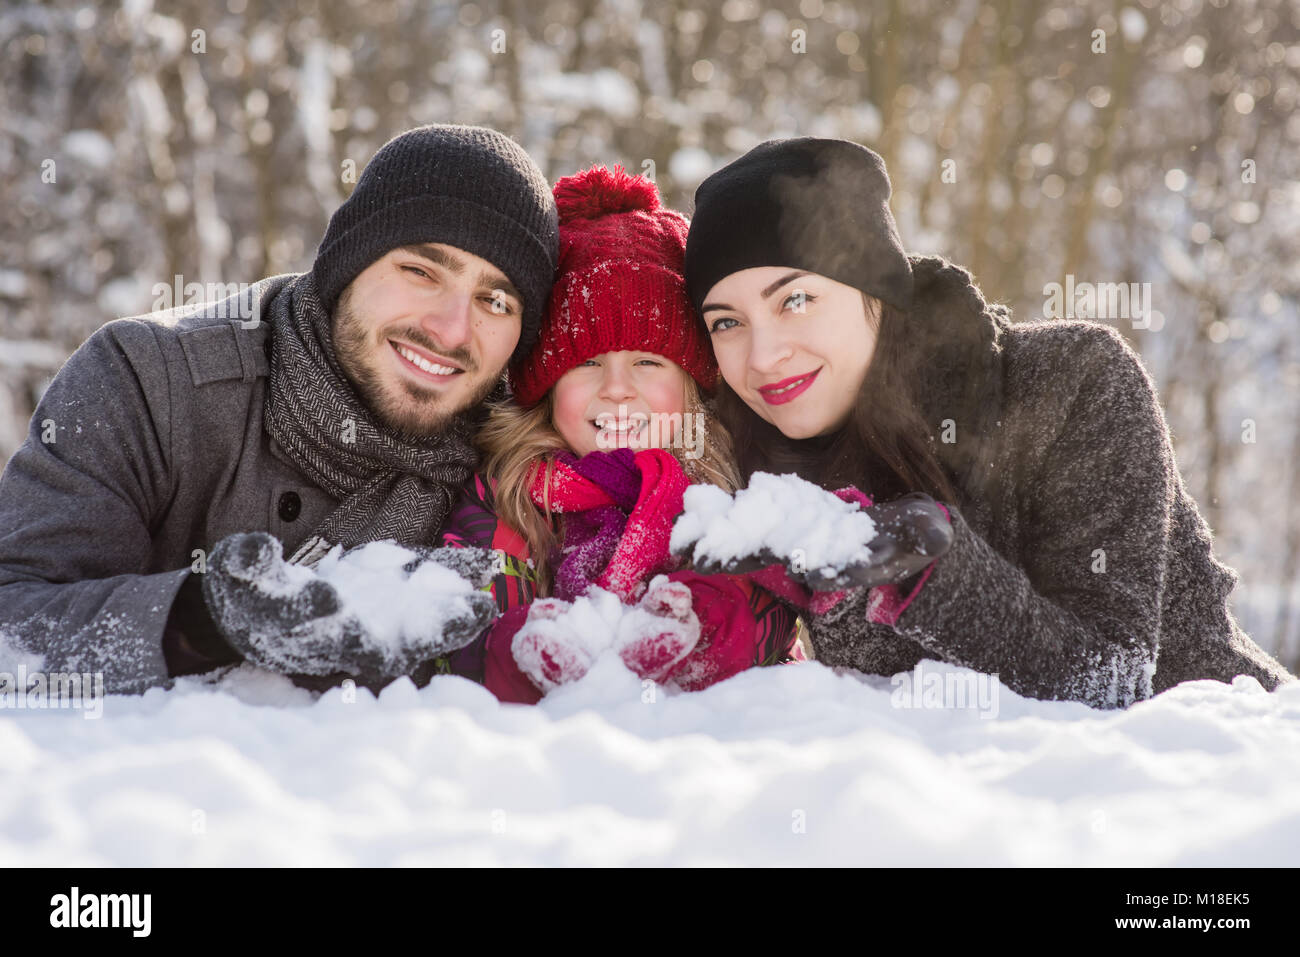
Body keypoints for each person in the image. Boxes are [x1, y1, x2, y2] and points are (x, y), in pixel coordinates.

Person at [679, 136, 1296, 709]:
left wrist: (931, 573)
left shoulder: (1071, 383)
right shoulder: (739, 464)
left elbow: (1114, 677)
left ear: (876, 291)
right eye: (726, 322)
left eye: (796, 299)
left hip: (1214, 776)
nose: (762, 356)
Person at [0, 124, 559, 695]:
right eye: (420, 272)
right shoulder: (147, 379)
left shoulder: (519, 469)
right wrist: (202, 621)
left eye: (495, 300)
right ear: (346, 267)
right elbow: (10, 630)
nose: (451, 329)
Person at [463, 165, 804, 704]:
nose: (617, 389)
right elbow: (467, 634)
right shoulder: (507, 496)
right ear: (545, 387)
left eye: (648, 361)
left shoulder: (729, 493)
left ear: (693, 385)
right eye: (587, 363)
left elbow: (782, 636)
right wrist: (517, 651)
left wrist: (715, 625)